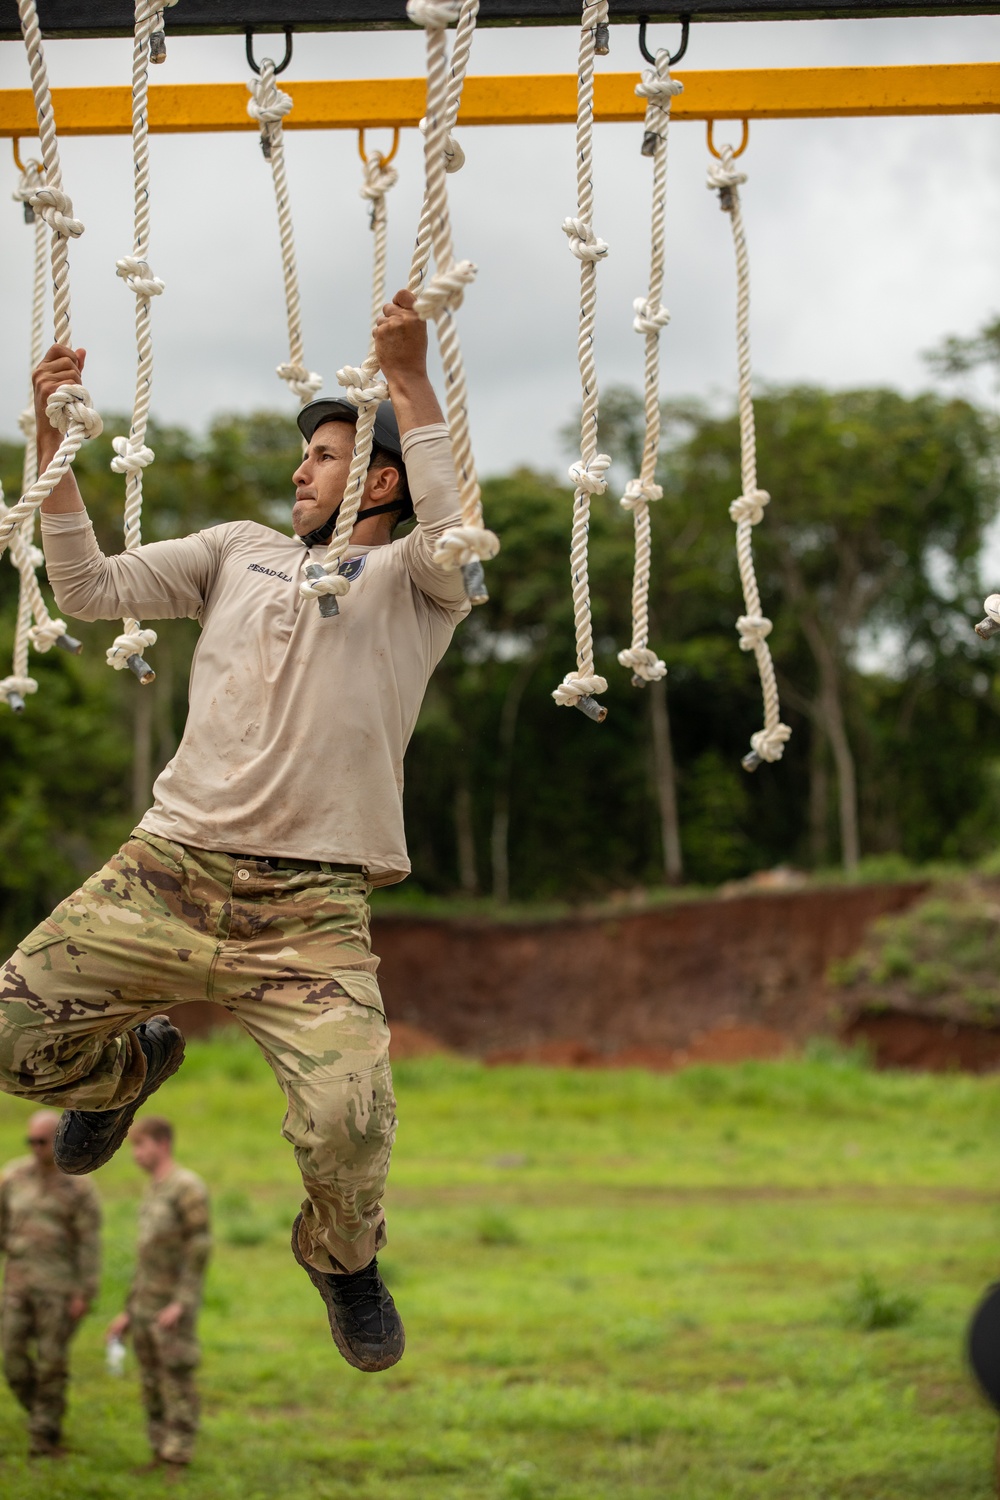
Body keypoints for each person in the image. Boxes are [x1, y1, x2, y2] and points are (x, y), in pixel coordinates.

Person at [0, 288, 471, 1372]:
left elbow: (455, 531)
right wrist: (50, 441)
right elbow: (85, 585)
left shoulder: (414, 583)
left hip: (309, 907)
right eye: (304, 452)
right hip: (167, 868)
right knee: (16, 1041)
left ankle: (343, 1261)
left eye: (323, 453)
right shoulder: (234, 551)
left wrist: (410, 376)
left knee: (351, 1121)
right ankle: (128, 1072)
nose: (301, 468)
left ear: (380, 480)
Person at [106, 1116, 210, 1480]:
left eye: (140, 1145)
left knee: (175, 1377)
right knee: (150, 1379)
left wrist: (181, 1301)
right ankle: (158, 1449)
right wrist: (128, 1312)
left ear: (162, 1144)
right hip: (146, 1303)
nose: (135, 1153)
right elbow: (146, 1257)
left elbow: (199, 1247)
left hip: (171, 1306)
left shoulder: (186, 1187)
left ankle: (178, 1458)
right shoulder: (154, 1188)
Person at [0, 1109, 100, 1457]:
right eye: (30, 1141)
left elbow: (89, 1244)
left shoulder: (78, 1186)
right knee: (12, 1360)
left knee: (51, 1363)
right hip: (16, 1286)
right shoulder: (11, 1178)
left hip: (58, 1289)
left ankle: (45, 1436)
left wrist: (84, 1292)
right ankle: (41, 1413)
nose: (35, 1148)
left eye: (41, 1141)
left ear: (58, 1138)